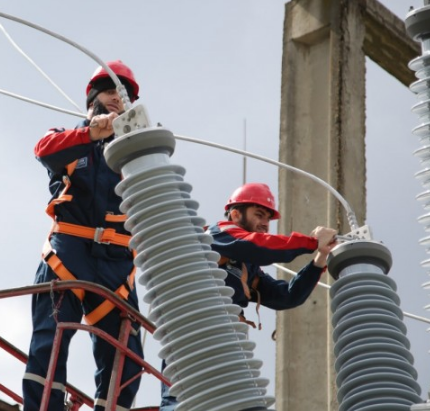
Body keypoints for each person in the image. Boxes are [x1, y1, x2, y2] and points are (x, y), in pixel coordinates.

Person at [23, 60, 144, 411]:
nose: (117, 100)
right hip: (69, 256)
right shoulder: (69, 141)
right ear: (93, 97)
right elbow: (44, 151)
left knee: (128, 361)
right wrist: (91, 133)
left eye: (124, 96)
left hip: (116, 267)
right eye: (110, 91)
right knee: (51, 342)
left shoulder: (135, 157)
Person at [160, 182, 338, 410]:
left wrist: (319, 259)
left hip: (225, 342)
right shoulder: (218, 235)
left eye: (267, 218)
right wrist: (311, 242)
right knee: (181, 401)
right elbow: (256, 246)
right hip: (190, 333)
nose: (265, 224)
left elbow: (287, 296)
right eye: (259, 215)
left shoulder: (248, 268)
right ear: (235, 214)